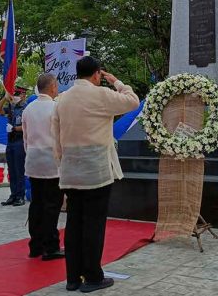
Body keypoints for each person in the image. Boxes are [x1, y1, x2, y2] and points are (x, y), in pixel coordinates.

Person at [52, 56, 139, 292]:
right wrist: (118, 82)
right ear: (97, 74)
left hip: (71, 169)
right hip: (95, 170)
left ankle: (72, 278)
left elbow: (56, 137)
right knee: (93, 225)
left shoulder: (62, 99)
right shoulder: (101, 95)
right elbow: (133, 101)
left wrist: (63, 163)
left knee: (73, 224)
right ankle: (92, 277)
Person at [22, 73, 64, 260]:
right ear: (53, 87)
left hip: (33, 159)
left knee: (37, 203)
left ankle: (36, 244)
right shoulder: (56, 108)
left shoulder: (28, 109)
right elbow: (61, 136)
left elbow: (25, 137)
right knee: (52, 205)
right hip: (51, 161)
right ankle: (51, 246)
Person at [0, 85, 28, 206]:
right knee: (11, 170)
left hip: (20, 141)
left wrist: (14, 128)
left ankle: (20, 196)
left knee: (19, 170)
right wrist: (4, 98)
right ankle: (13, 195)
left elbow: (27, 126)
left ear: (24, 95)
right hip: (11, 141)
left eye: (18, 94)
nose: (16, 97)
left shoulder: (26, 109)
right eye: (14, 94)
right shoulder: (11, 108)